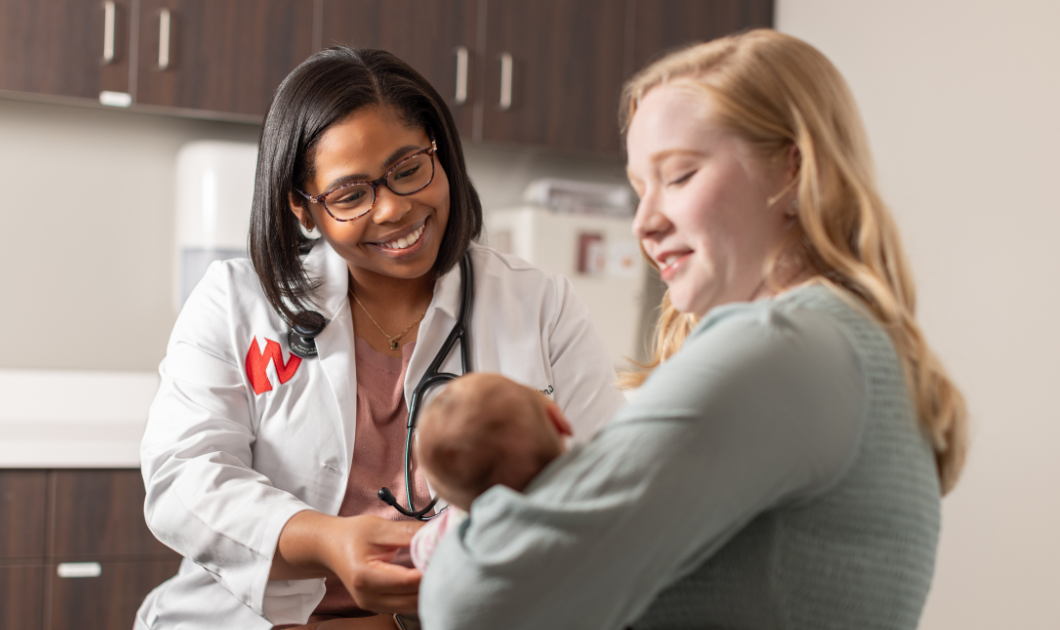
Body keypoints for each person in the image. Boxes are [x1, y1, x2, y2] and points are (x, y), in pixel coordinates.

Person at [420, 29, 969, 630]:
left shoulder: (779, 350)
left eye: (679, 176)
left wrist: (450, 535)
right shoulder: (844, 345)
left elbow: (470, 604)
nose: (644, 223)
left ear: (793, 170)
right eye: (638, 189)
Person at [134, 47, 624, 630]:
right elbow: (183, 479)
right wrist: (327, 541)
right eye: (350, 195)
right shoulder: (234, 302)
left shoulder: (540, 305)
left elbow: (606, 493)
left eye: (408, 168)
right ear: (304, 209)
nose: (394, 208)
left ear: (440, 151)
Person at [408, 372, 574, 571]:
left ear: (439, 490)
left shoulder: (447, 531)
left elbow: (419, 552)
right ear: (560, 421)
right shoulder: (580, 500)